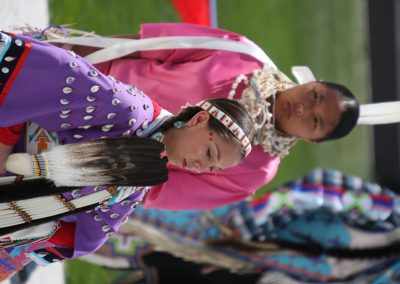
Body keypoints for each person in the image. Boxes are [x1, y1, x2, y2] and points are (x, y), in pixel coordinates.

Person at [3, 23, 360, 211]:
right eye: (315, 96)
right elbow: (140, 46)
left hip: (87, 153)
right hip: (77, 83)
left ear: (312, 140)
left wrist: (86, 179)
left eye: (315, 121)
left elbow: (158, 191)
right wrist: (64, 52)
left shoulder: (255, 169)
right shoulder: (242, 54)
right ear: (313, 82)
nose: (303, 108)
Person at [0, 30, 254, 278]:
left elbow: (88, 236)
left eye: (211, 168)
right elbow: (43, 78)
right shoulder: (128, 111)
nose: (199, 167)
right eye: (209, 153)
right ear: (199, 119)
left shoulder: (142, 175)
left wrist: (18, 246)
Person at [78, 168, 400, 283]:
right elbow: (316, 189)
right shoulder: (389, 214)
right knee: (131, 209)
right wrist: (252, 222)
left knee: (136, 254)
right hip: (230, 223)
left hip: (239, 264)